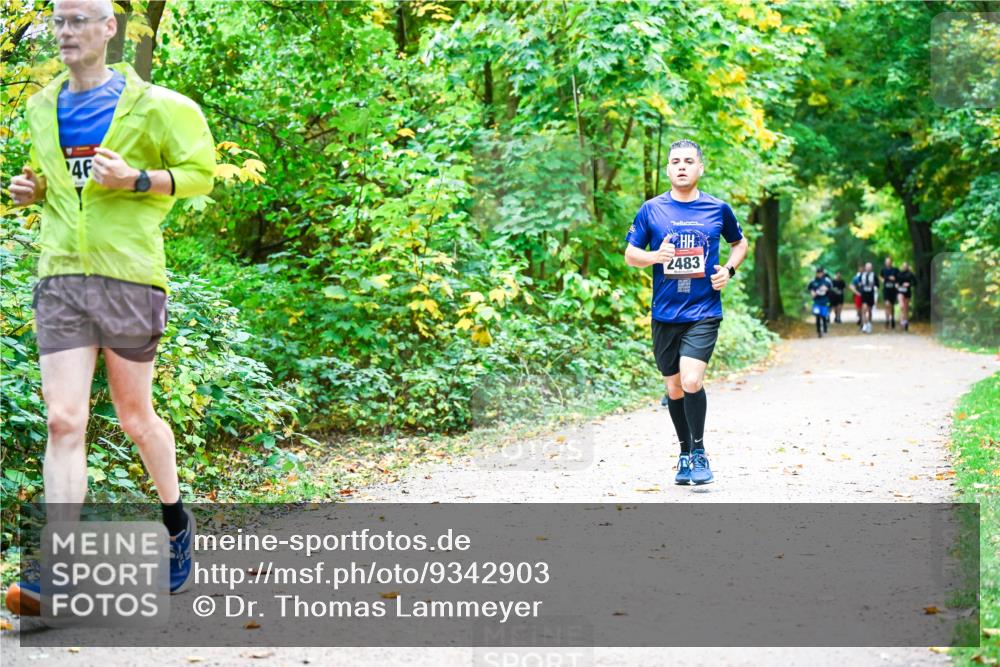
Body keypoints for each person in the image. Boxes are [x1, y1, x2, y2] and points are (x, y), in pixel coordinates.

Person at [5, 0, 216, 616]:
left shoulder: (161, 107)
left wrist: (137, 180)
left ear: (108, 28)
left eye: (78, 20)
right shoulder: (40, 106)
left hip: (130, 278)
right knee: (63, 421)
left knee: (135, 417)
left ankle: (176, 522)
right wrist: (33, 190)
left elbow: (200, 174)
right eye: (58, 21)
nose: (65, 32)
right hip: (62, 279)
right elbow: (54, 183)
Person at [624, 139, 749, 486]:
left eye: (689, 161)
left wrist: (729, 269)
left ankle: (699, 452)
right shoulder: (651, 210)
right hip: (664, 313)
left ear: (700, 168)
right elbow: (631, 254)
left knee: (692, 380)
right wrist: (655, 258)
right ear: (668, 169)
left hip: (703, 309)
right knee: (675, 389)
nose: (682, 166)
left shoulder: (717, 208)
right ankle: (683, 454)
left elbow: (740, 242)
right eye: (675, 161)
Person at [807, 267, 833, 337]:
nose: (819, 274)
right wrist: (813, 293)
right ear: (816, 273)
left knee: (823, 315)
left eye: (821, 273)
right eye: (818, 273)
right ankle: (818, 331)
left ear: (823, 273)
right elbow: (810, 289)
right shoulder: (812, 281)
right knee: (817, 315)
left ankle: (825, 327)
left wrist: (827, 289)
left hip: (824, 301)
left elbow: (831, 288)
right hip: (816, 302)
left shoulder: (827, 281)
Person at [855, 262, 878, 333]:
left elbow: (877, 285)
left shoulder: (874, 275)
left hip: (870, 294)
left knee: (870, 310)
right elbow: (857, 282)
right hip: (864, 294)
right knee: (864, 309)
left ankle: (869, 323)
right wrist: (860, 286)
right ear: (865, 268)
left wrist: (874, 286)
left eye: (870, 267)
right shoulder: (861, 275)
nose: (868, 268)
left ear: (871, 268)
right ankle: (864, 324)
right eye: (867, 267)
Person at [880, 257, 899, 329]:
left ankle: (892, 319)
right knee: (887, 304)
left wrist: (896, 281)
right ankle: (887, 320)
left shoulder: (895, 270)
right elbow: (881, 277)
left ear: (891, 262)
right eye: (886, 261)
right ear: (885, 263)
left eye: (889, 261)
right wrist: (884, 280)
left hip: (893, 290)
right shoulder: (883, 270)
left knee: (892, 305)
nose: (888, 263)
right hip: (886, 290)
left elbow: (899, 278)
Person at [896, 262, 916, 331]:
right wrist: (897, 285)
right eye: (903, 266)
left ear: (907, 267)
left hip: (907, 292)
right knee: (901, 306)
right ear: (902, 267)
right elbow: (896, 282)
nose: (904, 267)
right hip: (900, 291)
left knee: (906, 307)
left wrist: (909, 284)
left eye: (905, 266)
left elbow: (915, 283)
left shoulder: (910, 274)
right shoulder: (899, 274)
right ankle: (902, 321)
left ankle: (906, 321)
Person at [850, 263, 864, 329]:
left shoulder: (866, 276)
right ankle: (859, 318)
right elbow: (851, 286)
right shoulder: (856, 278)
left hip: (865, 295)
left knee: (864, 309)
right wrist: (856, 292)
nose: (861, 269)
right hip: (858, 295)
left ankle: (863, 323)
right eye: (860, 268)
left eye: (862, 268)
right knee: (859, 309)